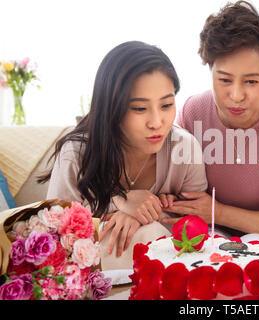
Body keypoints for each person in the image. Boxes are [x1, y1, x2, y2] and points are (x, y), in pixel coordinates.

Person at [162, 1, 259, 252]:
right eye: (224, 79)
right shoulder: (193, 112)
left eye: (251, 81)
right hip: (211, 233)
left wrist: (216, 211)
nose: (236, 95)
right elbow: (175, 193)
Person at [38, 41, 208, 266]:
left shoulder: (184, 148)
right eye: (139, 108)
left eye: (166, 105)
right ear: (111, 107)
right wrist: (120, 201)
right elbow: (54, 238)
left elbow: (197, 230)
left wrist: (145, 212)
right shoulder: (76, 155)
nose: (157, 122)